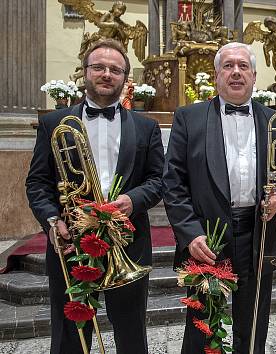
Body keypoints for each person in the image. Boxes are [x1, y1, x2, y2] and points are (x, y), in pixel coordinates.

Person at [25, 38, 164, 354]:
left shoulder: (146, 127)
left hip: (128, 243)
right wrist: (51, 219)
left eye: (115, 69)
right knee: (70, 334)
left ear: (125, 78)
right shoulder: (54, 123)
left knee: (130, 332)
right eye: (99, 67)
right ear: (84, 72)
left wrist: (134, 200)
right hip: (70, 240)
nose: (107, 74)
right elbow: (37, 183)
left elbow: (159, 180)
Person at [162, 42, 276, 354]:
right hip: (207, 237)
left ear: (254, 76)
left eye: (243, 66)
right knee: (203, 324)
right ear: (216, 76)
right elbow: (173, 182)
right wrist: (189, 234)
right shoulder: (188, 118)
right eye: (228, 66)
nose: (236, 72)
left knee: (254, 320)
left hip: (257, 233)